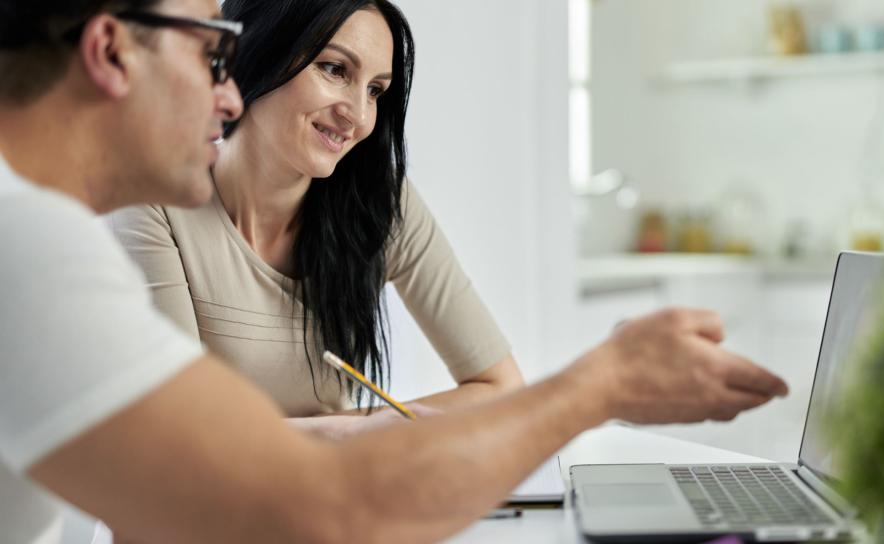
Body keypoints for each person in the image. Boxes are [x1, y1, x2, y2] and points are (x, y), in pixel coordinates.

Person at [0, 1, 789, 543]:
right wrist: (601, 384)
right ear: (109, 51)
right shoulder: (31, 252)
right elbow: (289, 503)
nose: (227, 92)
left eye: (375, 88)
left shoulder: (31, 235)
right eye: (211, 53)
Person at [106, 0, 524, 438]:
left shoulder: (379, 201)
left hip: (323, 496)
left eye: (375, 91)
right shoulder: (153, 198)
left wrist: (341, 431)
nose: (359, 117)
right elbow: (179, 434)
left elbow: (500, 387)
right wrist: (339, 434)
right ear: (261, 51)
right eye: (335, 70)